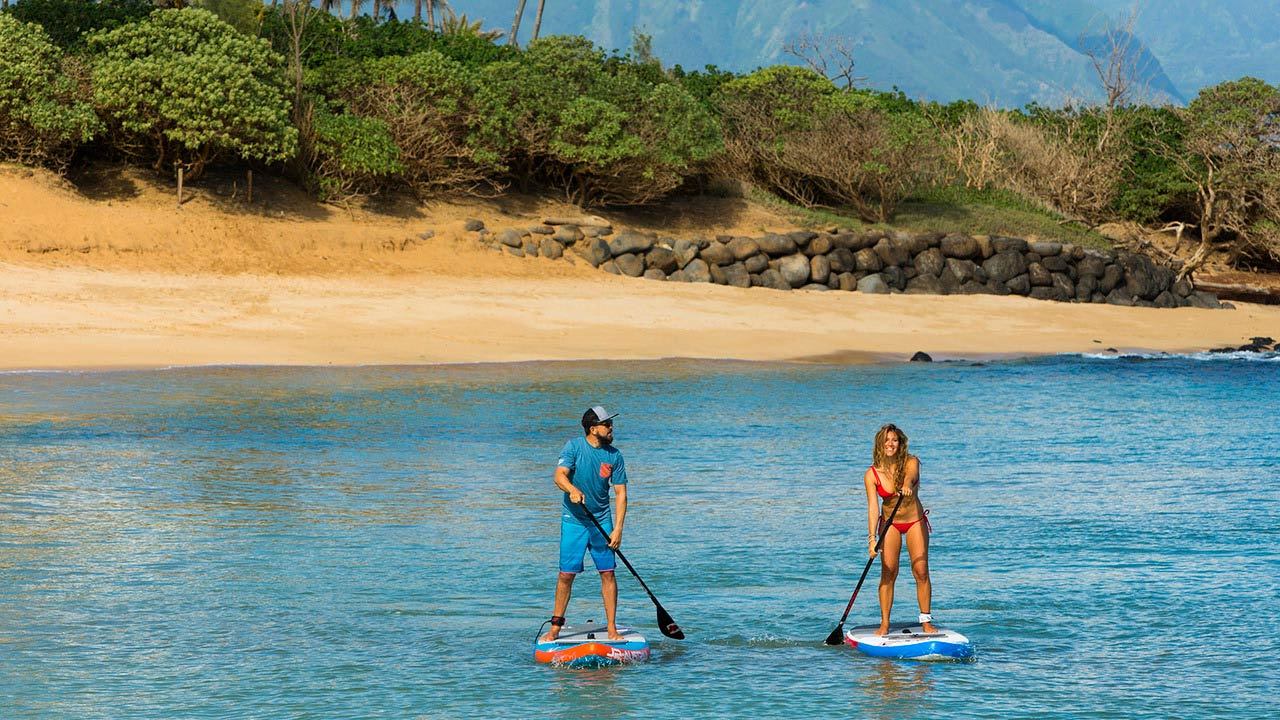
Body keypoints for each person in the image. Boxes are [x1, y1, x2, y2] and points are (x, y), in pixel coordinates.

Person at [540, 406, 628, 642]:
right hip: (575, 521)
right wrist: (572, 489)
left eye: (611, 424)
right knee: (566, 575)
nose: (611, 428)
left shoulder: (614, 456)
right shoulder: (574, 447)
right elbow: (559, 475)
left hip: (602, 520)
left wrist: (618, 528)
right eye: (607, 424)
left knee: (608, 572)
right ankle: (555, 628)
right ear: (593, 428)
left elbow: (620, 494)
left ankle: (611, 629)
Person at [863, 423, 936, 636]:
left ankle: (925, 621)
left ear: (900, 442)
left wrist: (906, 484)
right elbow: (872, 508)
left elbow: (911, 477)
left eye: (894, 440)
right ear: (880, 444)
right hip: (890, 524)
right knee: (889, 571)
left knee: (920, 570)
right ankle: (885, 623)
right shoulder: (872, 474)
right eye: (886, 440)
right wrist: (871, 539)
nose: (890, 444)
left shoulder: (911, 462)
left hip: (914, 521)